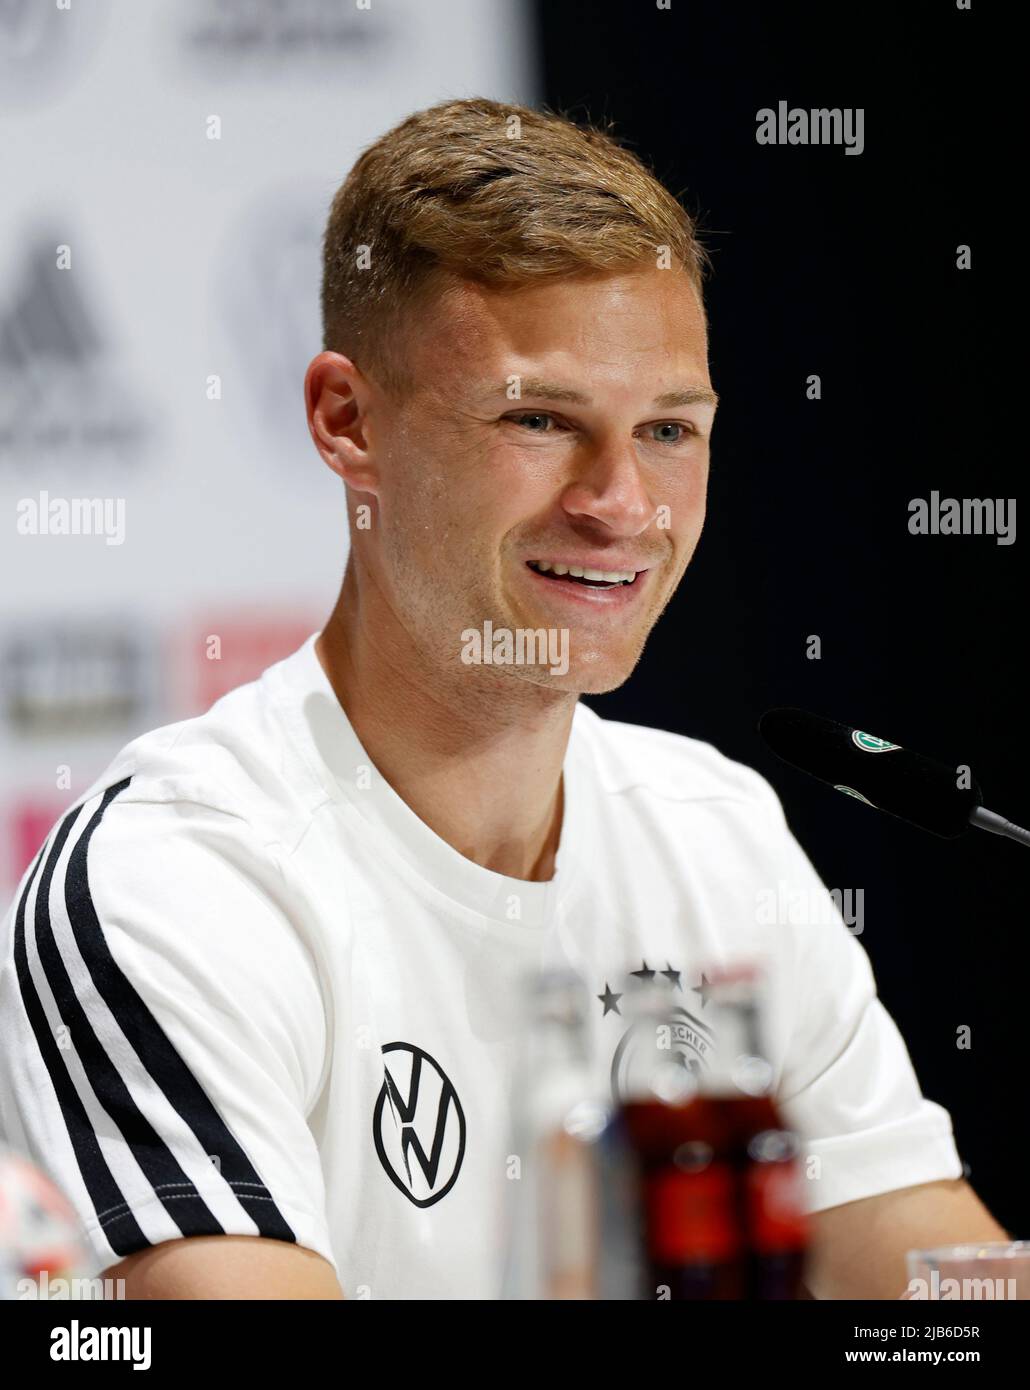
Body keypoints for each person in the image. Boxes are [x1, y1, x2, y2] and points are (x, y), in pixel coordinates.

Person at [0, 98, 1006, 1300]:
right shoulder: (174, 878)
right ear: (346, 419)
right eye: (539, 420)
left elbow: (931, 1293)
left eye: (670, 430)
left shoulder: (715, 830)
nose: (623, 503)